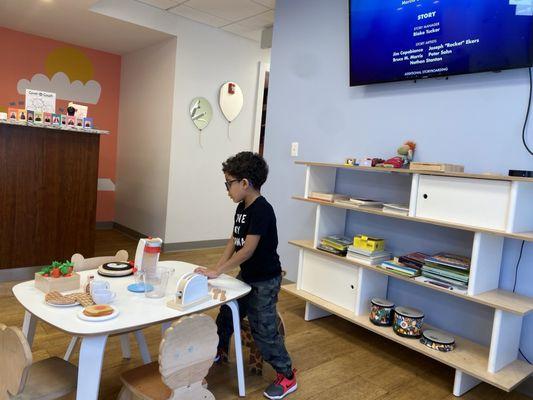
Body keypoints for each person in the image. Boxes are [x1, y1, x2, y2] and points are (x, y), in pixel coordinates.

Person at [195, 151, 297, 399]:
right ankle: (220, 351)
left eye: (228, 183)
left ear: (244, 183)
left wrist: (220, 270)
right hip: (247, 275)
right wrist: (216, 269)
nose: (227, 189)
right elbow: (234, 239)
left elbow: (248, 250)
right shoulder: (242, 207)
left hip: (265, 279)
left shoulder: (262, 210)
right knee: (226, 313)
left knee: (263, 329)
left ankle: (287, 375)